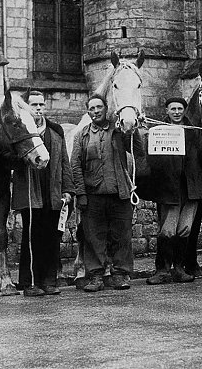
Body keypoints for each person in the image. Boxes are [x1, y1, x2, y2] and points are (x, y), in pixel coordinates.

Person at [146, 97, 202, 285]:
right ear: (167, 111)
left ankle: (179, 268)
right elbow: (151, 160)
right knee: (167, 230)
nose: (177, 112)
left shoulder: (194, 132)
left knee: (185, 229)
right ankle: (162, 269)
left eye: (180, 109)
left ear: (185, 110)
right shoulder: (159, 132)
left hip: (190, 188)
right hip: (169, 188)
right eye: (173, 109)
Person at [71, 94, 140, 292]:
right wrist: (81, 194)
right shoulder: (82, 135)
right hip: (93, 195)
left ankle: (119, 274)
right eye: (91, 108)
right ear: (88, 112)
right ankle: (96, 276)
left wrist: (132, 130)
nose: (96, 111)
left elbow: (137, 151)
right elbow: (75, 166)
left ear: (106, 108)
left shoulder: (119, 131)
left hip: (120, 193)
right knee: (93, 236)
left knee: (121, 235)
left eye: (99, 107)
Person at [12, 90, 73, 297]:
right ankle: (30, 282)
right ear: (26, 108)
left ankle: (49, 280)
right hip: (31, 193)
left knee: (51, 237)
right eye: (34, 105)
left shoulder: (55, 131)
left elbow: (64, 161)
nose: (38, 108)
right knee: (31, 238)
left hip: (53, 191)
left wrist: (67, 189)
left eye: (41, 105)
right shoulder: (20, 131)